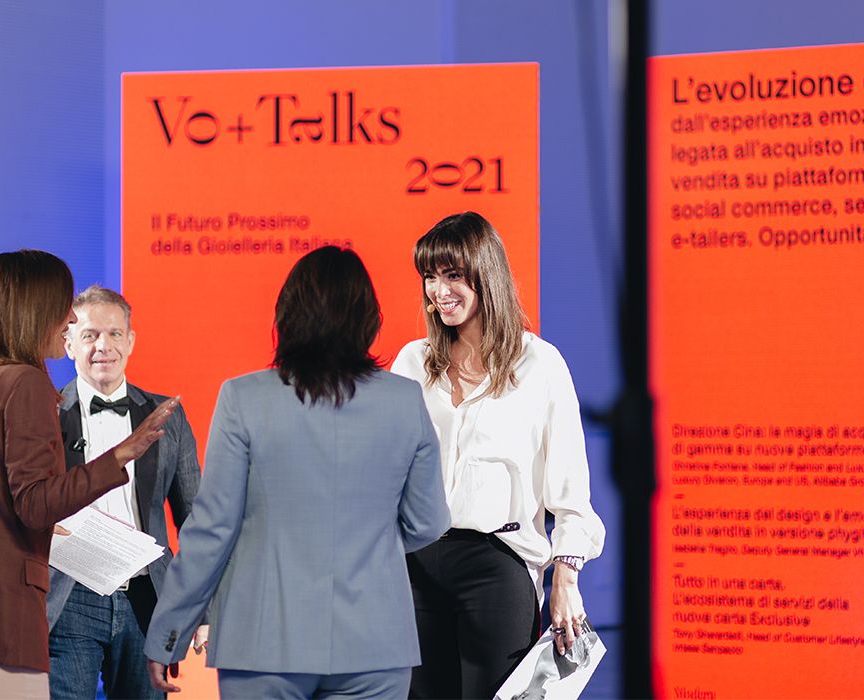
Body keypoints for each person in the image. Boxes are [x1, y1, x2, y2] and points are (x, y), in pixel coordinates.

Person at [144, 246, 449, 699]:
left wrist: (170, 631)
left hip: (262, 642)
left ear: (287, 314)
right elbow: (429, 522)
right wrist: (370, 543)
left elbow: (212, 531)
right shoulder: (404, 400)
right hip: (375, 643)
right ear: (368, 317)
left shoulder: (243, 398)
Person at [0, 250, 179, 699]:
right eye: (64, 306)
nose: (70, 317)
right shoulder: (26, 382)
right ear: (36, 310)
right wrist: (119, 457)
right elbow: (36, 505)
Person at [390, 212, 607, 699]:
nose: (437, 290)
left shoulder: (540, 365)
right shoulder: (410, 363)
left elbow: (570, 496)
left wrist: (565, 581)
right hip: (416, 566)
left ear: (484, 275)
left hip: (498, 563)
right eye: (429, 276)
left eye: (451, 275)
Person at [46, 285, 203, 699]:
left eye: (115, 334)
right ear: (68, 345)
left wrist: (202, 607)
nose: (104, 346)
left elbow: (197, 521)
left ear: (131, 341)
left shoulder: (166, 415)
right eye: (90, 335)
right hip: (69, 597)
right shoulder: (44, 414)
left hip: (147, 600)